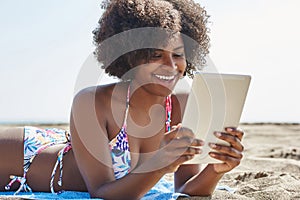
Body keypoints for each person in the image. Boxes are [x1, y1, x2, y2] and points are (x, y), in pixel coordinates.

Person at [0, 0, 244, 199]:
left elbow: (184, 191)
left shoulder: (183, 104)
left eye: (178, 55)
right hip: (21, 158)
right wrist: (159, 164)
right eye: (155, 54)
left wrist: (216, 169)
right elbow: (102, 193)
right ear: (130, 57)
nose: (170, 66)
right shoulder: (92, 102)